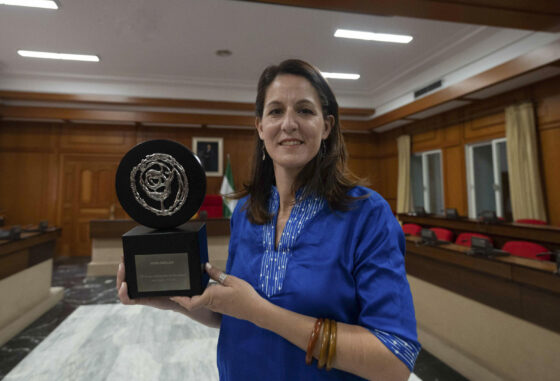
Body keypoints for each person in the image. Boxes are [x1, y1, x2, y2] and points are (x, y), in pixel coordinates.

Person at [117, 59, 420, 380]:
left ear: (327, 126)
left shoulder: (367, 214)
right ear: (260, 127)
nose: (289, 123)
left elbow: (394, 359)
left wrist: (260, 312)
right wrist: (172, 300)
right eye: (276, 111)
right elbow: (236, 313)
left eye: (304, 110)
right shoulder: (248, 211)